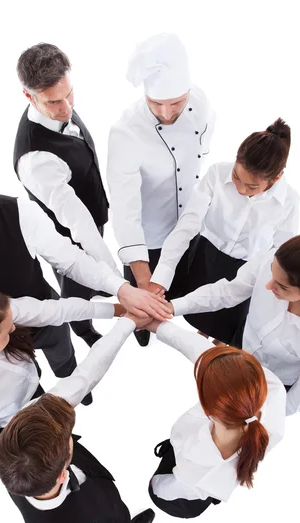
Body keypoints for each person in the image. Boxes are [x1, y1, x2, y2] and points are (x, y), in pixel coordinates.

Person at [0, 149, 171, 405]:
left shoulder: (22, 212)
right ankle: (38, 395)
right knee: (23, 384)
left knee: (64, 357)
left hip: (50, 318)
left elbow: (71, 260)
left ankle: (72, 383)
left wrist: (120, 288)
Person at [0, 314, 156, 523]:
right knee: (117, 519)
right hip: (103, 521)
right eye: (68, 437)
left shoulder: (22, 450)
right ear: (61, 474)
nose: (70, 435)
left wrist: (128, 320)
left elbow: (87, 372)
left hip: (87, 480)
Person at [107, 33, 215, 346]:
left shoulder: (202, 106)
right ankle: (143, 332)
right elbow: (125, 210)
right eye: (156, 103)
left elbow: (202, 155)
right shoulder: (126, 132)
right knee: (143, 309)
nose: (167, 113)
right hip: (146, 237)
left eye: (176, 103)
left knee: (184, 285)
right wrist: (143, 280)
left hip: (187, 225)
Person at [169, 233, 300, 415]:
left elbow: (293, 403)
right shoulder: (270, 261)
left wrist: (255, 416)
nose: (268, 286)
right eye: (272, 272)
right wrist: (172, 307)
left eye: (282, 286)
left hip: (267, 388)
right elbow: (226, 292)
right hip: (240, 346)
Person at [152, 118, 299, 345]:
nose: (240, 189)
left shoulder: (289, 201)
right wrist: (161, 276)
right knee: (197, 304)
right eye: (236, 177)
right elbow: (187, 225)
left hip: (245, 269)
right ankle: (202, 327)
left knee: (225, 323)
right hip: (206, 255)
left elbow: (280, 252)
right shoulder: (216, 174)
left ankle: (217, 337)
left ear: (275, 178)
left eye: (252, 187)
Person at [14, 43, 119, 347]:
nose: (67, 107)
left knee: (96, 260)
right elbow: (76, 220)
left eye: (69, 93)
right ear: (28, 96)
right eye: (54, 102)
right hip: (66, 236)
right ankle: (83, 329)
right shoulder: (35, 160)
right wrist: (116, 281)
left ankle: (99, 287)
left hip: (90, 215)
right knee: (75, 289)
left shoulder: (60, 103)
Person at [0, 286, 124, 457]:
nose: (14, 328)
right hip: (22, 428)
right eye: (7, 332)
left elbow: (56, 310)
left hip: (31, 385)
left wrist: (117, 310)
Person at [143, 319, 286, 518]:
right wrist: (158, 326)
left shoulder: (195, 466)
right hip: (199, 483)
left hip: (180, 493)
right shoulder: (272, 390)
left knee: (160, 492)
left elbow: (165, 489)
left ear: (208, 408)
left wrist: (154, 486)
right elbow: (206, 355)